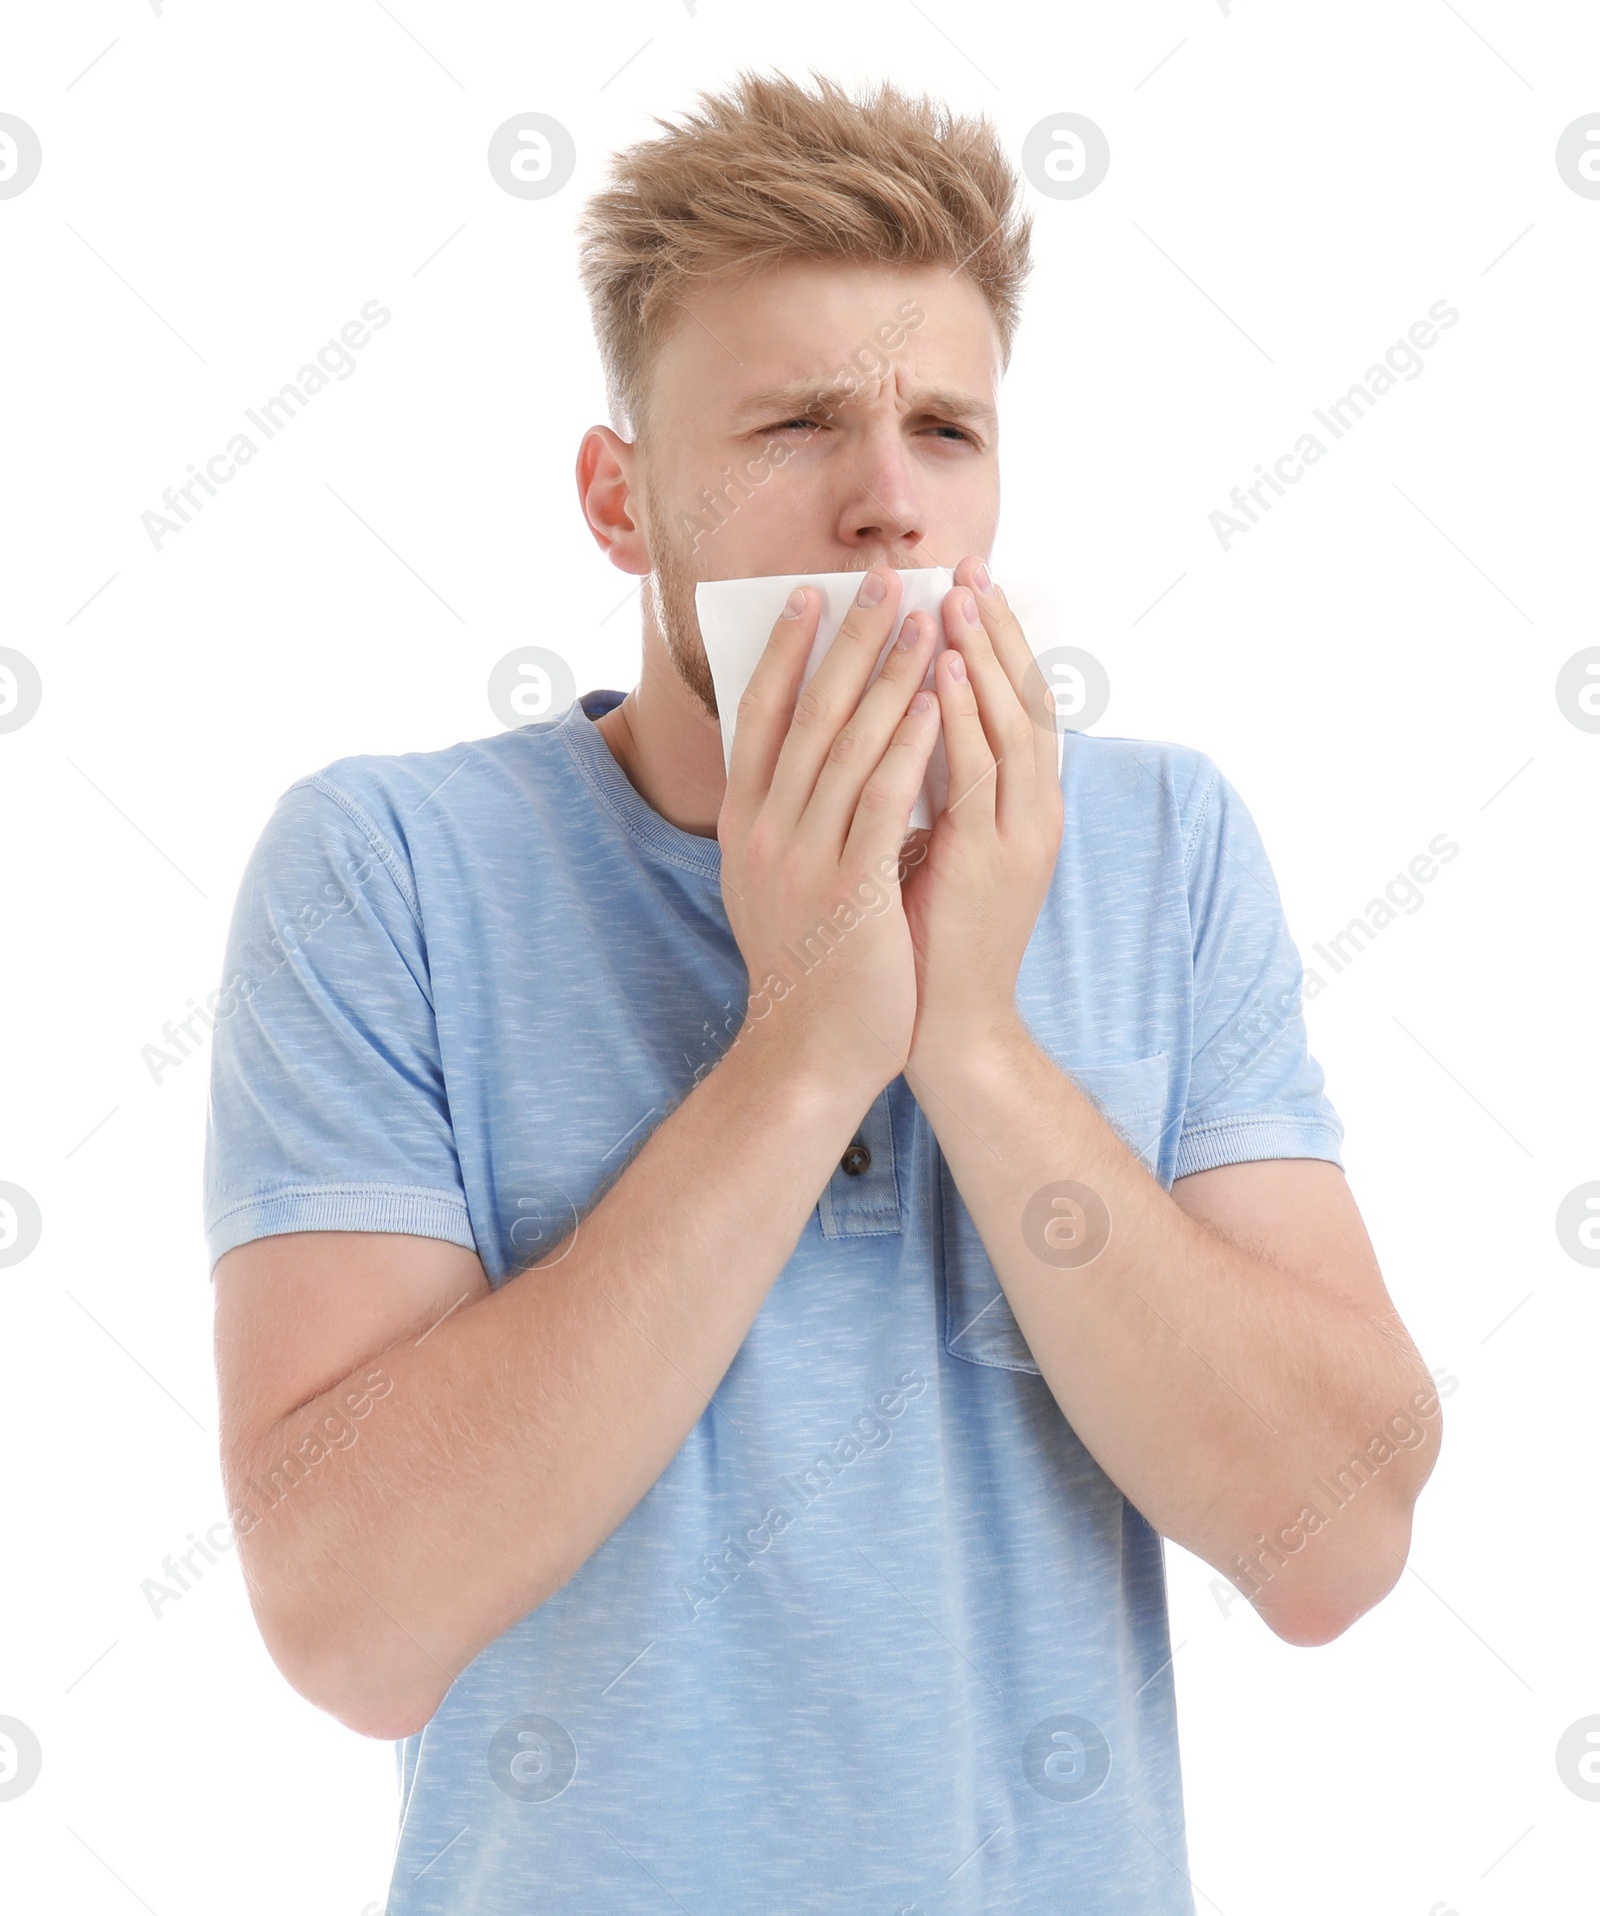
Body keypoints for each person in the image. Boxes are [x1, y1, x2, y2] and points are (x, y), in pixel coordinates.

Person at [207, 68, 1440, 1914]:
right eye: (792, 424)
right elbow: (354, 1629)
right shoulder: (386, 872)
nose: (885, 503)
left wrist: (971, 1035)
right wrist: (800, 1056)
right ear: (620, 503)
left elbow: (1334, 1544)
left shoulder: (1164, 844)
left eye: (946, 427)